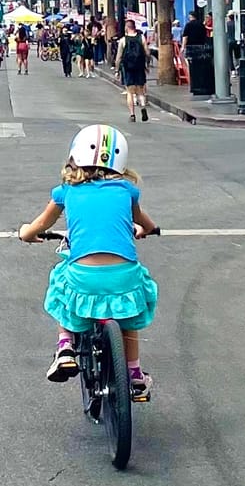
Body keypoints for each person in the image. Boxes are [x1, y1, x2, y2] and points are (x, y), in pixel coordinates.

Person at [17, 124, 159, 403]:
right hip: (123, 276)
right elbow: (145, 223)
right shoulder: (127, 191)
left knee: (61, 281)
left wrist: (27, 233)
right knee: (127, 314)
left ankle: (65, 347)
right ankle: (135, 376)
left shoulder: (66, 192)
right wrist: (147, 230)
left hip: (84, 276)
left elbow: (40, 224)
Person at [117, 19, 151, 123]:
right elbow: (147, 53)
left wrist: (117, 69)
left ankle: (132, 114)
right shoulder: (141, 38)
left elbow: (119, 57)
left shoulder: (123, 40)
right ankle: (143, 107)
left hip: (127, 68)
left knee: (130, 92)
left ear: (127, 28)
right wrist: (147, 65)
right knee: (140, 91)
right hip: (139, 67)